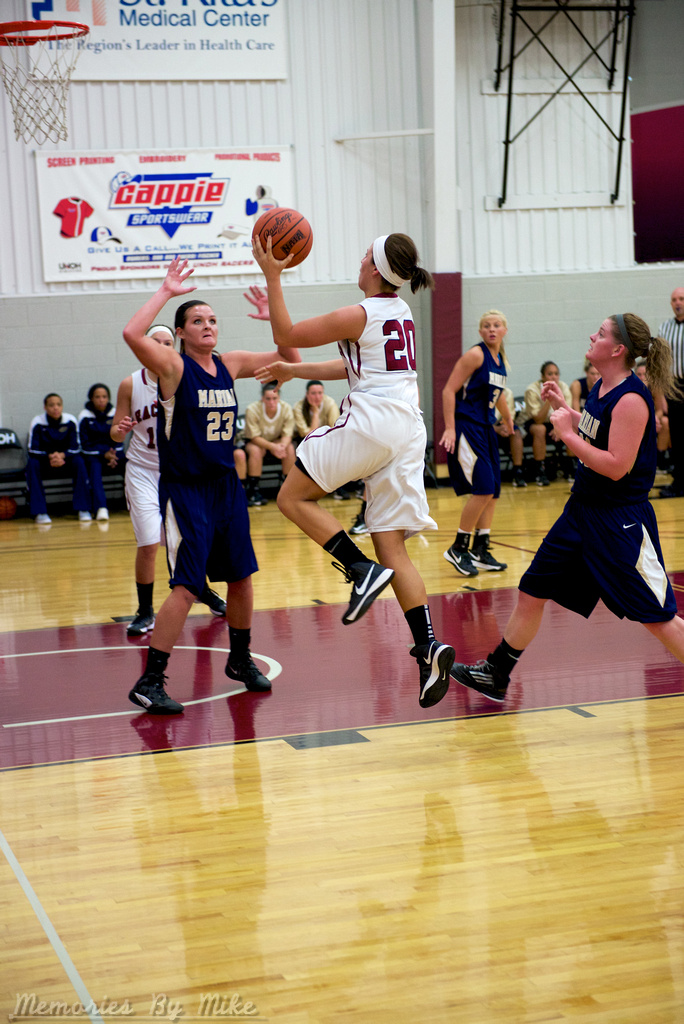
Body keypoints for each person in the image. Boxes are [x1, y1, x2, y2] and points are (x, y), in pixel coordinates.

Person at [253, 231, 455, 709]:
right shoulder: (397, 313)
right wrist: (293, 371)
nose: (359, 256)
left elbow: (286, 334)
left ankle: (359, 569)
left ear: (374, 268)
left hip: (374, 421)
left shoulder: (360, 313)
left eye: (366, 252)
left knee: (291, 497)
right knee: (393, 545)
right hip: (408, 430)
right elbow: (352, 365)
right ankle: (428, 646)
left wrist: (273, 276)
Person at [450, 313, 684, 703]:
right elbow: (597, 428)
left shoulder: (631, 399)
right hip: (581, 512)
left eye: (602, 333)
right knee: (532, 590)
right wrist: (567, 410)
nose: (593, 335)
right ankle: (496, 673)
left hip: (618, 521)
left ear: (618, 349)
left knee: (658, 618)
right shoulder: (603, 387)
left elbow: (615, 465)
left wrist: (566, 433)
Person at [122, 257, 301, 714]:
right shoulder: (173, 368)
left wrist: (274, 323)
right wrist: (166, 291)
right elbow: (131, 335)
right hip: (186, 490)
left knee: (241, 578)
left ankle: (239, 660)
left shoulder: (231, 363)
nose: (207, 325)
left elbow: (292, 361)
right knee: (186, 587)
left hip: (226, 487)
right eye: (197, 320)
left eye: (212, 319)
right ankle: (150, 680)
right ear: (180, 333)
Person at [111, 324, 228, 637]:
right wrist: (119, 429)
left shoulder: (184, 376)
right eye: (156, 342)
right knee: (150, 542)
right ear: (144, 346)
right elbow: (113, 431)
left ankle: (201, 589)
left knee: (191, 539)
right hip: (143, 471)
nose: (162, 347)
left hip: (179, 470)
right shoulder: (130, 384)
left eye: (167, 343)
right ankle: (145, 609)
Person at [440, 310, 514, 577]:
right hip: (467, 426)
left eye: (496, 325)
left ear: (504, 330)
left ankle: (481, 549)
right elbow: (448, 390)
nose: (491, 329)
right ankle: (459, 547)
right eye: (486, 326)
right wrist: (449, 427)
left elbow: (499, 395)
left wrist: (508, 420)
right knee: (482, 489)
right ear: (480, 332)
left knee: (493, 490)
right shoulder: (476, 355)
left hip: (487, 428)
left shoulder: (499, 360)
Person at [26, 393, 92, 525]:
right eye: (51, 405)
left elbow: (76, 447)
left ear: (62, 407)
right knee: (32, 464)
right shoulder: (37, 422)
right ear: (45, 407)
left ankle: (83, 509)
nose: (55, 408)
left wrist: (62, 456)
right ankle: (40, 512)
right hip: (45, 461)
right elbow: (32, 449)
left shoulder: (70, 420)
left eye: (58, 405)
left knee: (79, 461)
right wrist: (50, 456)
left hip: (65, 460)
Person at [293, 380, 351, 500]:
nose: (317, 397)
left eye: (320, 393)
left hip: (328, 440)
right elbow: (307, 435)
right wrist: (315, 413)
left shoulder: (330, 403)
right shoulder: (298, 407)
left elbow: (335, 429)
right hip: (305, 443)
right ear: (307, 394)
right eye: (313, 393)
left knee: (338, 450)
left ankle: (339, 487)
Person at [243, 382, 296, 507]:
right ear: (262, 398)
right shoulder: (252, 409)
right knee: (256, 451)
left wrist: (281, 447)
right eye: (268, 399)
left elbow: (287, 434)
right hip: (256, 442)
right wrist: (272, 447)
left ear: (279, 398)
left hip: (277, 441)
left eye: (274, 398)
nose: (271, 402)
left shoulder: (286, 408)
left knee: (289, 448)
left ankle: (290, 489)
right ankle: (254, 490)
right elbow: (254, 437)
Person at [78, 383, 125, 521]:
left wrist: (112, 455)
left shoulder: (115, 413)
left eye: (104, 397)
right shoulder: (84, 416)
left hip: (114, 453)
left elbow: (120, 438)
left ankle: (135, 504)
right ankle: (101, 508)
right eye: (97, 397)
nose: (101, 400)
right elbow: (84, 445)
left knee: (131, 466)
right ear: (91, 399)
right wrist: (103, 454)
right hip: (94, 455)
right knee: (94, 468)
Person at [524, 361, 574, 485]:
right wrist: (549, 398)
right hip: (536, 423)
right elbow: (538, 419)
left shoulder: (563, 387)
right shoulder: (532, 390)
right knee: (540, 429)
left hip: (556, 421)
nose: (554, 377)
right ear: (542, 377)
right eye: (550, 374)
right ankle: (541, 470)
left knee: (572, 427)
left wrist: (558, 427)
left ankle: (573, 468)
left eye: (556, 374)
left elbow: (568, 413)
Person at [657, 287, 684, 497]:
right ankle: (679, 482)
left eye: (682, 299)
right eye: (674, 299)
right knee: (677, 435)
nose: (678, 302)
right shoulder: (665, 328)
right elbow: (659, 362)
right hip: (674, 387)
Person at [636, 361, 671, 474]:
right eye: (639, 374)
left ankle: (659, 460)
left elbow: (661, 409)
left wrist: (654, 418)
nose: (642, 377)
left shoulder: (655, 387)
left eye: (645, 374)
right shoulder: (630, 386)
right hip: (635, 422)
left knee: (665, 422)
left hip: (651, 420)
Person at [493, 385, 526, 488]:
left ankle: (517, 471)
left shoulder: (507, 392)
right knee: (486, 433)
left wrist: (506, 427)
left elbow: (509, 416)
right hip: (487, 426)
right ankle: (490, 473)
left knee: (515, 432)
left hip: (502, 425)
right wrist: (495, 429)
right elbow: (479, 418)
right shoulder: (479, 391)